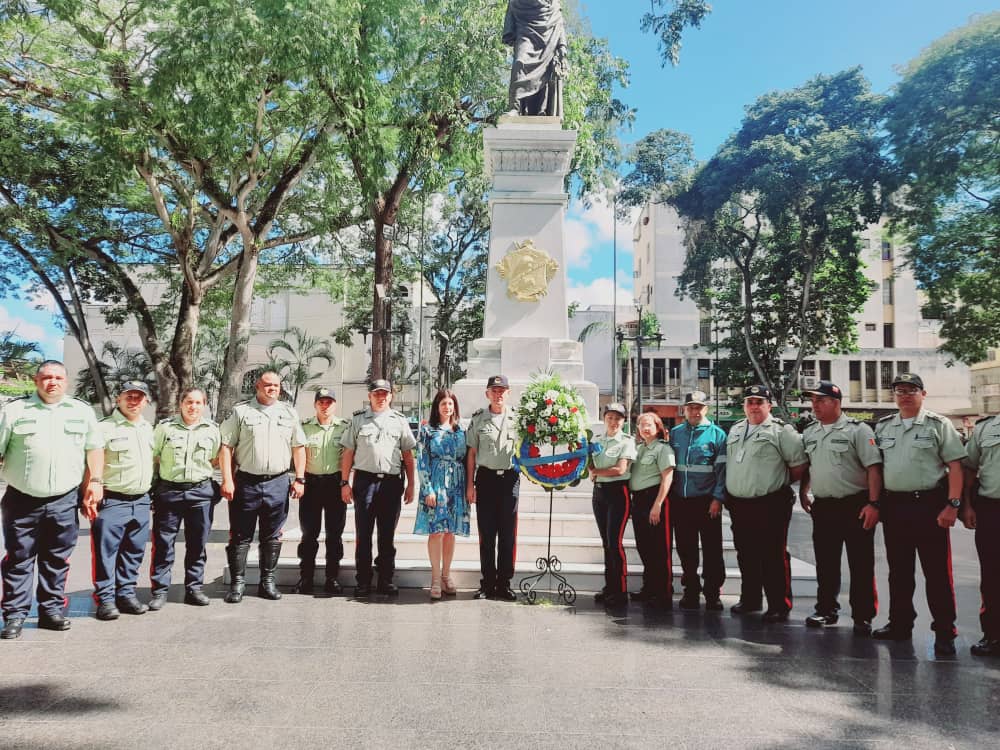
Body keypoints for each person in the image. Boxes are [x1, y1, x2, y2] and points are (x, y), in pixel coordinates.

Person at [0, 360, 103, 640]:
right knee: (19, 559)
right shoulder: (15, 411)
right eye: (46, 377)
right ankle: (15, 615)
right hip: (22, 499)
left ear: (66, 382)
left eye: (58, 377)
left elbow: (94, 449)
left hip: (64, 499)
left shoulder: (81, 411)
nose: (52, 382)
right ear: (36, 381)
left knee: (56, 558)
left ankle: (50, 611)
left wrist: (94, 482)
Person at [873, 372, 966, 656]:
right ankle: (900, 624)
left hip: (929, 506)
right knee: (899, 572)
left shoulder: (939, 425)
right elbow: (875, 468)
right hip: (895, 507)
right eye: (899, 390)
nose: (905, 395)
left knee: (937, 573)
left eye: (911, 390)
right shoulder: (884, 427)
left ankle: (944, 631)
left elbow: (955, 467)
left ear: (923, 394)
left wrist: (953, 504)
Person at [798, 381, 882, 636]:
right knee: (825, 562)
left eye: (820, 400)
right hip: (824, 506)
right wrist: (803, 491)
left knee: (861, 563)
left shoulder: (858, 430)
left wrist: (874, 504)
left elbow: (874, 468)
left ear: (836, 403)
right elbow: (808, 465)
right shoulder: (811, 432)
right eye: (813, 401)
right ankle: (826, 609)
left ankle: (863, 615)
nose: (815, 406)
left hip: (855, 504)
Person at [219, 371, 307, 603]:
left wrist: (299, 478)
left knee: (272, 536)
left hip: (278, 482)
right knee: (240, 535)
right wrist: (227, 479)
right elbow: (226, 446)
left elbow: (299, 446)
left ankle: (267, 582)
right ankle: (237, 584)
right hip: (247, 482)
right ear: (258, 386)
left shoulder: (289, 413)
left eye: (276, 385)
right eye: (268, 385)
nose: (272, 389)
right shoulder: (241, 412)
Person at [725, 385, 808, 622]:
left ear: (768, 405)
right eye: (750, 402)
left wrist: (775, 482)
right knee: (746, 554)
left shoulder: (782, 431)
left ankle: (778, 604)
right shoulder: (736, 429)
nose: (753, 406)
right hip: (740, 504)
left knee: (773, 555)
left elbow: (799, 466)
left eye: (759, 402)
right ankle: (751, 600)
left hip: (770, 503)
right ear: (744, 405)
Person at [340, 379, 417, 597]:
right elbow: (347, 453)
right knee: (363, 534)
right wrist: (345, 482)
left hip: (391, 484)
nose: (381, 397)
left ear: (391, 396)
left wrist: (411, 485)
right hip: (365, 482)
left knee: (387, 536)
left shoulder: (400, 421)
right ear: (370, 396)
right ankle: (363, 581)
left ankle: (385, 579)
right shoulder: (358, 420)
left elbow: (408, 457)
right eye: (377, 394)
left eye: (385, 394)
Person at [88, 381, 156, 621]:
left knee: (133, 552)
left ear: (146, 401)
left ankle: (126, 594)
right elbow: (90, 463)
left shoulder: (148, 428)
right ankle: (105, 599)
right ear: (119, 399)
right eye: (129, 396)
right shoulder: (104, 428)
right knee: (106, 553)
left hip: (141, 500)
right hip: (112, 500)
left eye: (140, 397)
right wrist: (89, 491)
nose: (134, 401)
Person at [148, 387, 221, 610]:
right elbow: (154, 457)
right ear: (181, 403)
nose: (193, 407)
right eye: (189, 402)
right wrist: (152, 489)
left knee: (197, 543)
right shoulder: (165, 428)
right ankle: (160, 591)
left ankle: (194, 587)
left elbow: (216, 459)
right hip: (169, 492)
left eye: (198, 403)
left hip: (200, 493)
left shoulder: (212, 430)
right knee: (163, 543)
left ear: (204, 405)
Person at [669, 391, 727, 611]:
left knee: (712, 550)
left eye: (698, 407)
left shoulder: (717, 435)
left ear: (706, 409)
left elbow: (722, 471)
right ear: (685, 409)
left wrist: (717, 499)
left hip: (707, 502)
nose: (694, 411)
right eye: (690, 407)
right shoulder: (675, 434)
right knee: (686, 549)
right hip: (681, 501)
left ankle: (713, 593)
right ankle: (691, 590)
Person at [466, 375, 520, 601]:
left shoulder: (518, 419)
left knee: (508, 535)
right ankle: (487, 583)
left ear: (508, 393)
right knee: (487, 535)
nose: (498, 394)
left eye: (502, 390)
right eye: (494, 390)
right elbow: (471, 454)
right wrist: (470, 484)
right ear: (487, 393)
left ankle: (504, 583)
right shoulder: (478, 419)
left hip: (509, 480)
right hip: (486, 480)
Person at [293, 387, 349, 595]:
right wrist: (298, 480)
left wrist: (346, 483)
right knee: (309, 534)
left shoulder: (344, 427)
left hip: (335, 485)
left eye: (329, 402)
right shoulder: (305, 427)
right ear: (315, 404)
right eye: (321, 402)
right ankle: (305, 578)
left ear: (335, 404)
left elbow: (348, 456)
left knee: (334, 535)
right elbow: (298, 453)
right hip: (311, 485)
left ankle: (332, 578)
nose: (325, 406)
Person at [414, 389, 469, 600]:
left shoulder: (461, 431)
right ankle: (435, 578)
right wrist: (427, 488)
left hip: (456, 485)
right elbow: (422, 460)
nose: (447, 407)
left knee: (450, 532)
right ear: (437, 407)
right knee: (436, 531)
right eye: (444, 403)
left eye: (450, 403)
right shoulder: (428, 431)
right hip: (436, 484)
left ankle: (447, 575)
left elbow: (466, 458)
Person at [589, 403, 637, 608]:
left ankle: (620, 589)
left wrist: (596, 471)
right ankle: (610, 586)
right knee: (605, 542)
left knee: (614, 542)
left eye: (618, 418)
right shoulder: (597, 440)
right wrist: (591, 469)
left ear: (623, 421)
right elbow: (589, 463)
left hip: (618, 493)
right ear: (604, 419)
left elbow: (620, 469)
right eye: (610, 417)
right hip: (599, 493)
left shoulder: (627, 441)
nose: (614, 422)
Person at [628, 411, 676, 610]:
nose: (645, 428)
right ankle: (649, 587)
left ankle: (663, 592)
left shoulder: (663, 449)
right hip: (638, 501)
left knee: (659, 550)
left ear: (658, 428)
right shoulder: (638, 449)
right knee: (644, 547)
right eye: (642, 425)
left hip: (655, 500)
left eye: (649, 424)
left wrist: (657, 505)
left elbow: (667, 477)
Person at [962, 412, 1000, 656]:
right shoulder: (986, 428)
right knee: (992, 575)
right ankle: (993, 635)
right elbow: (969, 468)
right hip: (992, 508)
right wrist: (966, 505)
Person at [503, 0, 567, 116]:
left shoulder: (553, 3)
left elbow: (558, 21)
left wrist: (562, 45)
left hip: (548, 39)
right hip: (525, 33)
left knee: (544, 74)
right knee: (519, 62)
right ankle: (514, 107)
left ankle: (541, 110)